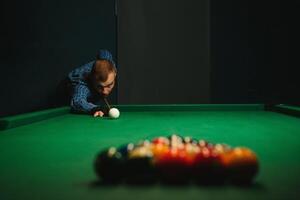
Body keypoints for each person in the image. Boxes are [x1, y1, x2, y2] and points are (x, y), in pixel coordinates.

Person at [67, 49, 117, 117]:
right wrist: (95, 109)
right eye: (100, 87)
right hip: (65, 91)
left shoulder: (109, 63)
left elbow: (104, 52)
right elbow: (78, 101)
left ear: (115, 73)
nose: (105, 92)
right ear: (92, 79)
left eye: (109, 85)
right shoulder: (81, 84)